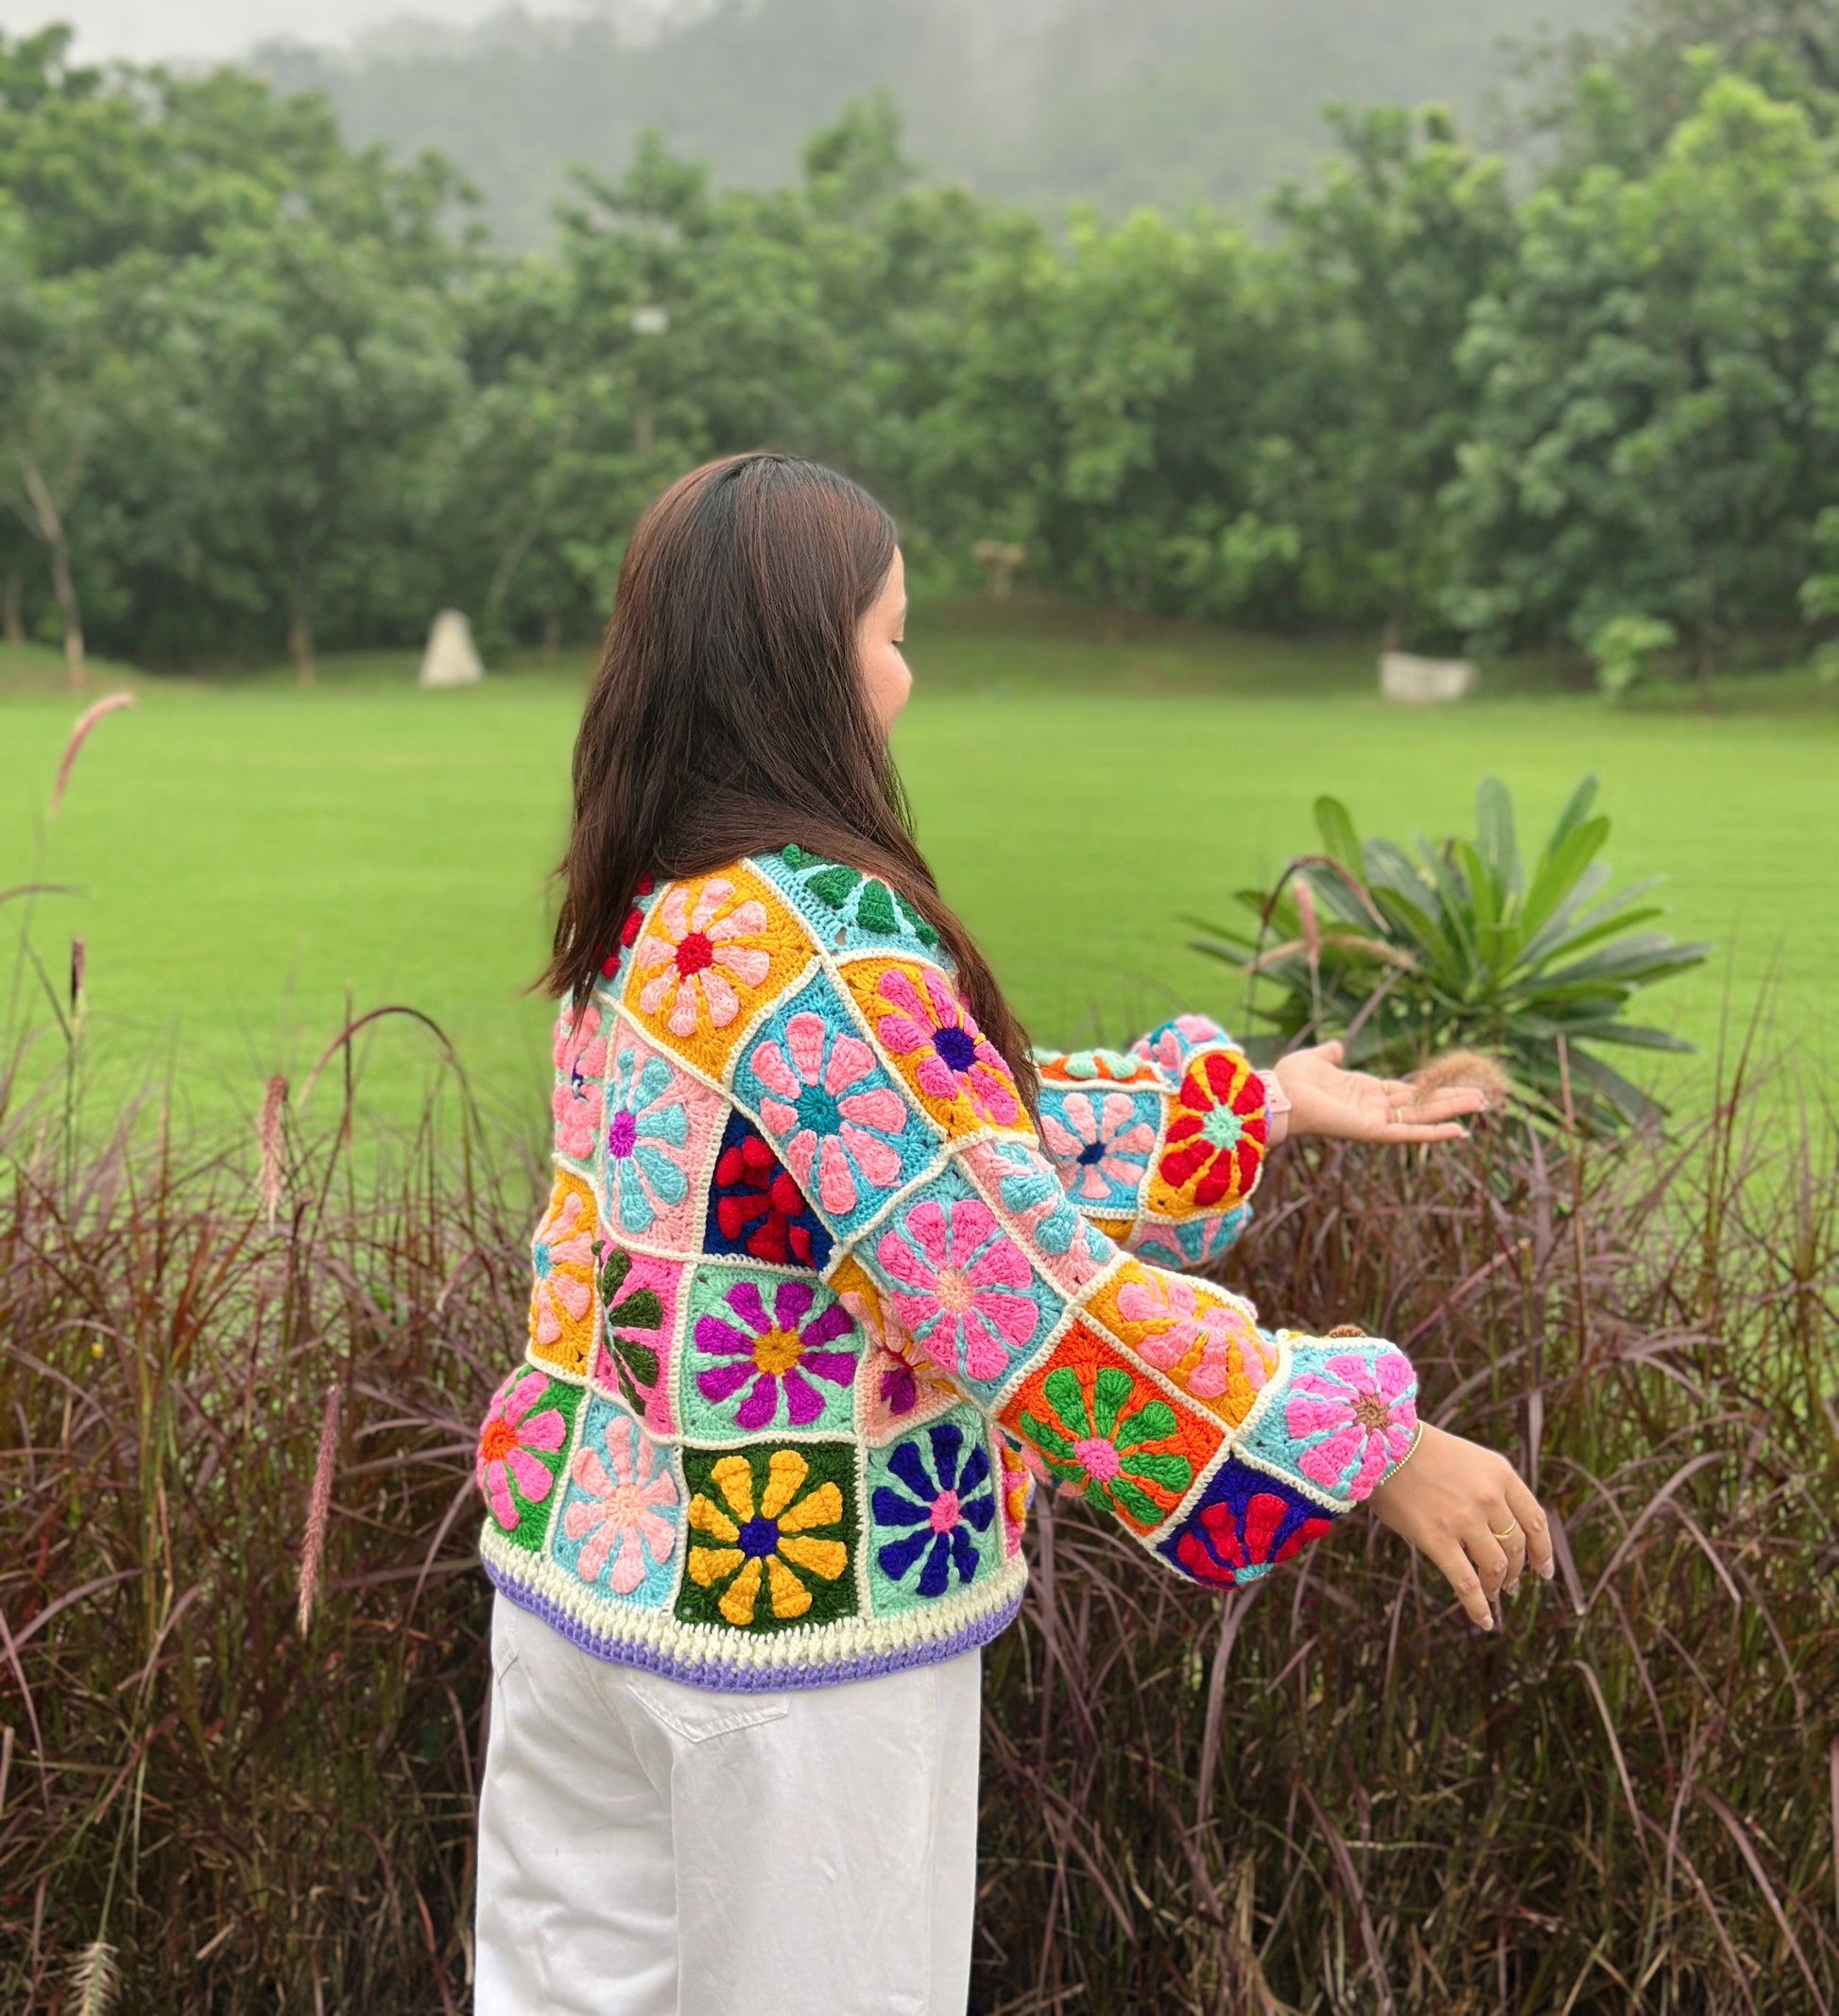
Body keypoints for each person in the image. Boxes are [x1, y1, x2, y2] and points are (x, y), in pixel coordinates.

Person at [472, 453, 1553, 2016]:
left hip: (583, 1594)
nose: (905, 677)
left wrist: (1252, 1104)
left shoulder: (661, 910)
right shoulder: (819, 950)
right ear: (810, 662)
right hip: (792, 1640)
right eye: (894, 633)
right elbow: (1009, 1285)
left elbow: (921, 1151)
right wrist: (1360, 1441)